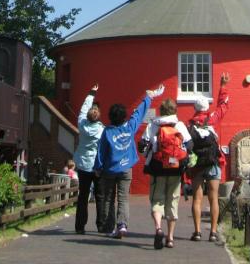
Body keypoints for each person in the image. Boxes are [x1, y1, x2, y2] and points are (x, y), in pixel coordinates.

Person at [96, 84, 165, 239]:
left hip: (109, 169)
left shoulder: (107, 132)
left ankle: (108, 226)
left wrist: (98, 167)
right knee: (123, 197)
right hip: (126, 168)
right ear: (123, 117)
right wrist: (149, 97)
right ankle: (122, 225)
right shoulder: (129, 127)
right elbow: (138, 114)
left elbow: (101, 152)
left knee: (108, 198)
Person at [141, 97, 192, 249]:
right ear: (174, 111)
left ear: (161, 111)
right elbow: (190, 145)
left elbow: (141, 145)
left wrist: (149, 153)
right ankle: (170, 238)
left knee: (157, 200)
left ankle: (158, 228)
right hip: (176, 168)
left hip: (158, 168)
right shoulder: (179, 125)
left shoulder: (153, 125)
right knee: (173, 201)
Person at [188, 72, 230, 243]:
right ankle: (213, 232)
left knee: (197, 199)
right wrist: (223, 86)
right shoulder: (212, 119)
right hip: (213, 163)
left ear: (195, 108)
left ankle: (197, 232)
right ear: (206, 108)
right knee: (213, 198)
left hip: (197, 165)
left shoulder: (190, 125)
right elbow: (223, 106)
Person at [73, 83, 105, 234]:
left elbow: (83, 109)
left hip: (83, 164)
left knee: (83, 196)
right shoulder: (102, 130)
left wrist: (92, 93)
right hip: (97, 166)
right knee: (100, 196)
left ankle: (80, 226)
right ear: (98, 116)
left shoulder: (81, 124)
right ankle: (101, 225)